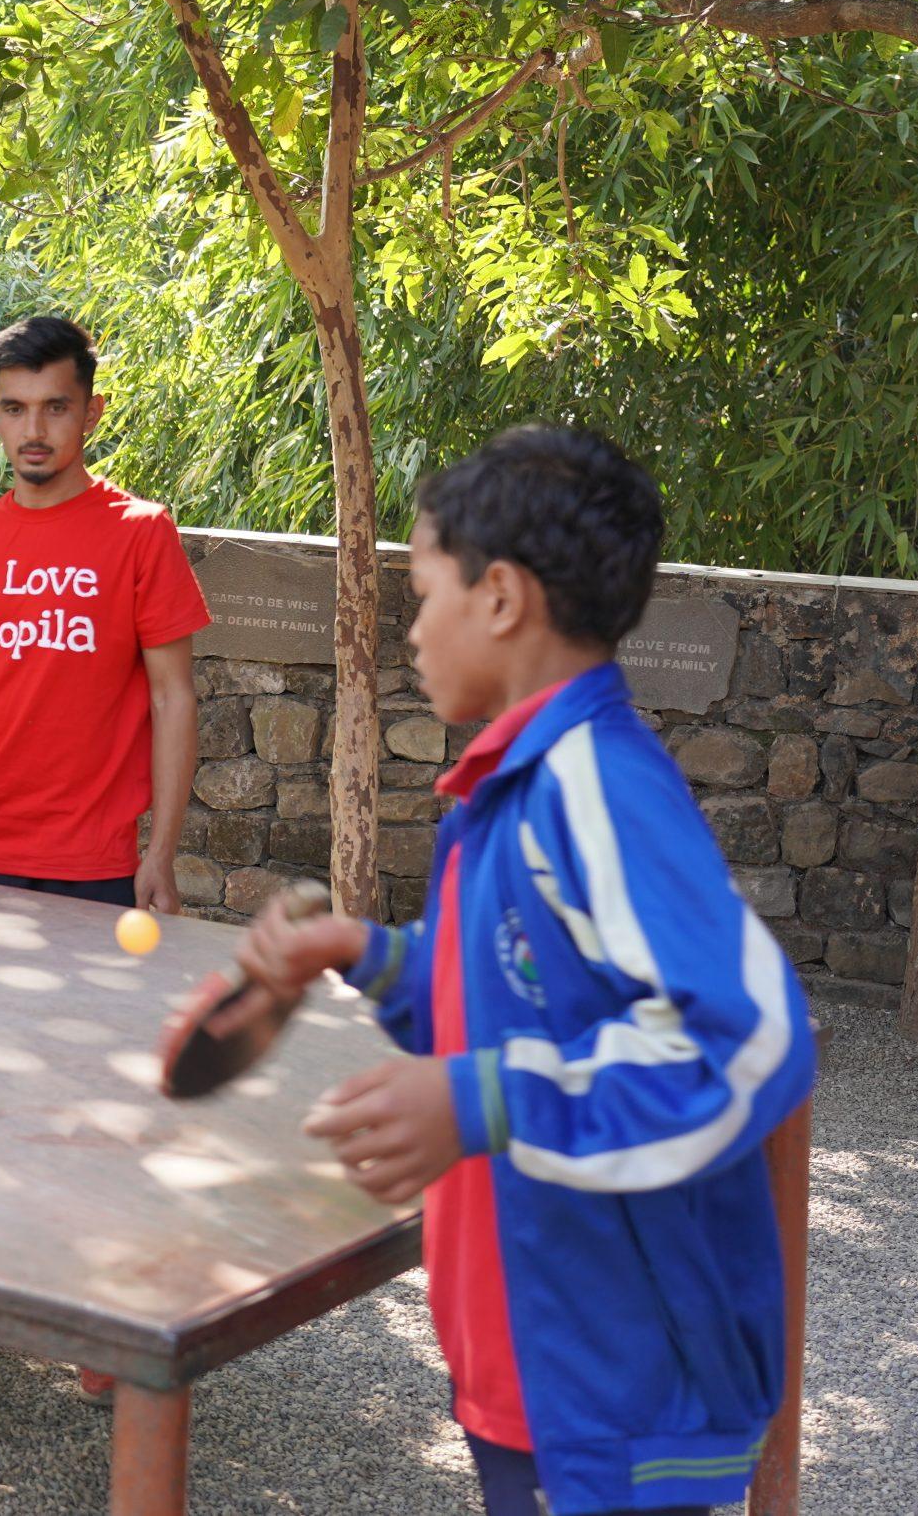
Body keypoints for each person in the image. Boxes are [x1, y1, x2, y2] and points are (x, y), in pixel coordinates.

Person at [235, 425, 815, 1516]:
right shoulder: (512, 786)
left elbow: (747, 1036)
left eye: (422, 591)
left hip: (615, 1385)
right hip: (534, 1360)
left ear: (499, 597)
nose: (410, 629)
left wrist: (478, 1098)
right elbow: (528, 992)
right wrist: (366, 955)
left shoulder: (594, 786)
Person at [0, 314, 211, 1375]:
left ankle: (95, 1321)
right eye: (15, 409)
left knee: (86, 1092)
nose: (34, 429)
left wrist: (158, 843)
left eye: (55, 407)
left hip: (85, 861)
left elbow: (174, 695)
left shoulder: (138, 532)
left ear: (90, 413)